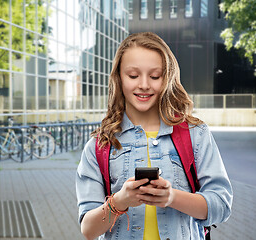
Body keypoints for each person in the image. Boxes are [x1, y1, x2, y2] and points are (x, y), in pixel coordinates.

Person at [75, 32, 233, 240]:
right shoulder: (99, 145)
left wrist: (172, 197)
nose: (144, 85)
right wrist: (120, 201)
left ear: (167, 78)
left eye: (155, 76)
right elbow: (88, 230)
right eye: (133, 75)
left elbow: (221, 206)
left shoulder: (196, 134)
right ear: (119, 78)